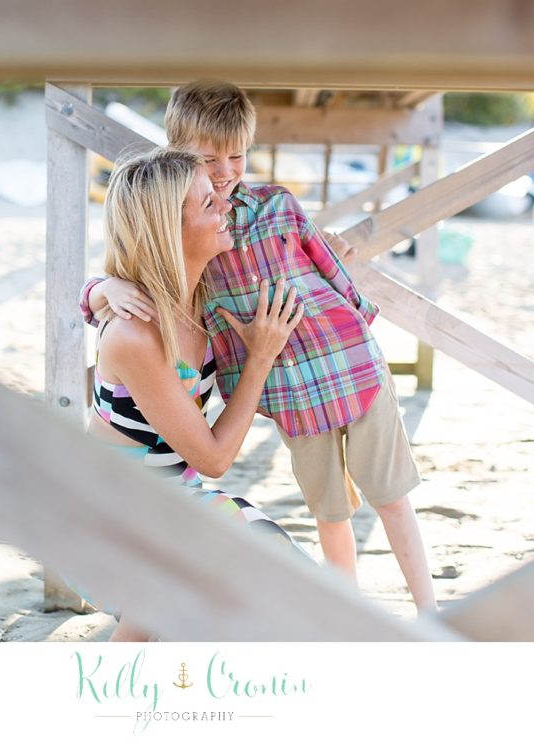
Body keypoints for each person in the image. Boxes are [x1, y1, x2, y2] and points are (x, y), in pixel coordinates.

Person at [81, 81, 437, 613]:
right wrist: (101, 289)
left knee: (344, 532)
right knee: (314, 529)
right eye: (207, 176)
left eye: (237, 157)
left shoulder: (213, 270)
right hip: (129, 511)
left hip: (199, 483)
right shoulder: (158, 308)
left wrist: (356, 320)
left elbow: (325, 265)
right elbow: (214, 454)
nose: (225, 181)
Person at [82, 147, 309, 642]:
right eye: (208, 203)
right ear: (169, 230)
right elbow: (213, 457)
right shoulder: (135, 334)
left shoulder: (204, 300)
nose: (225, 206)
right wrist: (260, 359)